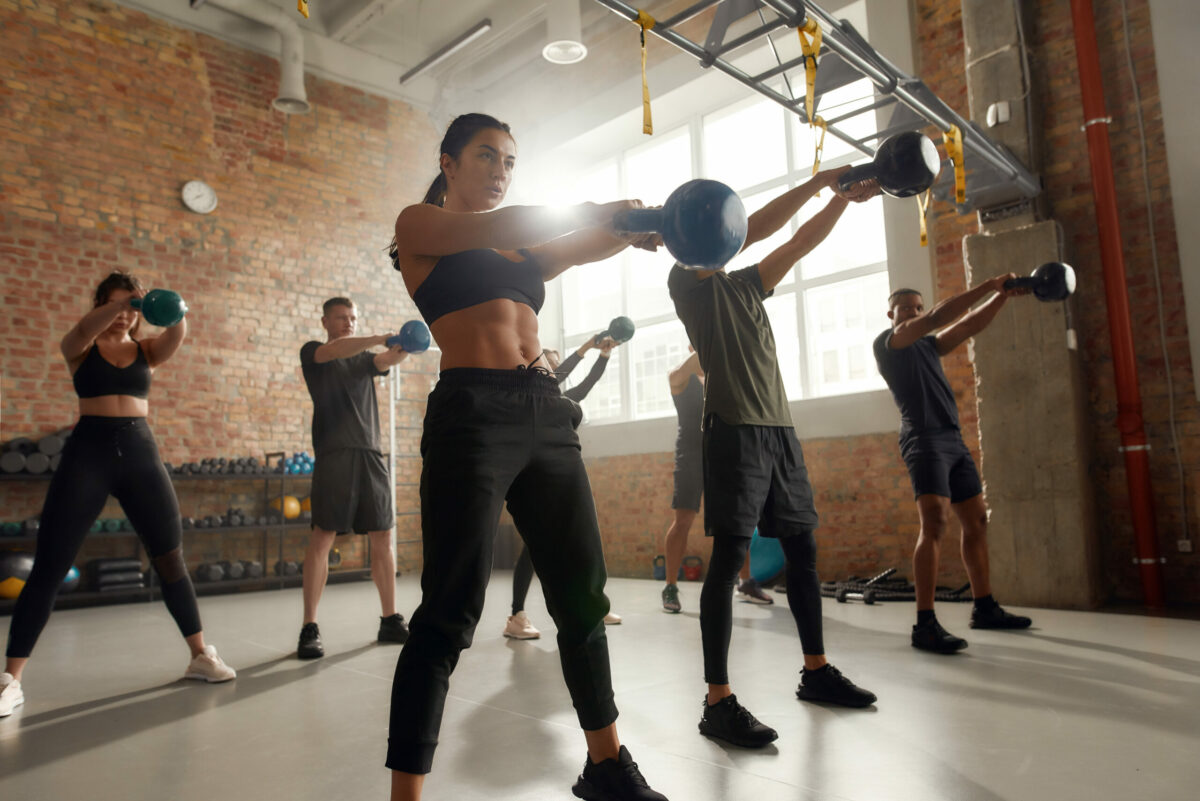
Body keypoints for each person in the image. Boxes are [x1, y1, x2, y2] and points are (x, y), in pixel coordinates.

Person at [387, 113, 668, 801]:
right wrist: (596, 209)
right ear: (449, 163)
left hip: (546, 410)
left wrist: (633, 225)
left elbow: (576, 245)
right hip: (472, 413)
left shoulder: (521, 256)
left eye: (510, 162)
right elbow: (509, 225)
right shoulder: (421, 229)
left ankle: (606, 764)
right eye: (487, 157)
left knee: (582, 594)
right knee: (450, 610)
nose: (500, 171)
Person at [668, 169, 879, 749]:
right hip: (733, 430)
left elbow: (798, 242)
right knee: (728, 558)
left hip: (779, 430)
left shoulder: (746, 285)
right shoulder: (687, 281)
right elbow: (757, 230)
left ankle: (815, 672)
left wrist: (843, 199)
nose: (728, 233)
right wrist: (817, 181)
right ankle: (717, 701)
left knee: (803, 551)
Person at [1, 272, 235, 719]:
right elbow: (84, 329)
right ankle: (11, 679)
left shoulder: (146, 350)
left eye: (132, 309)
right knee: (50, 563)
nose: (124, 315)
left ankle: (201, 654)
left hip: (140, 454)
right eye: (115, 305)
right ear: (101, 304)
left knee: (170, 558)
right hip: (88, 453)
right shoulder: (81, 349)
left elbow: (177, 332)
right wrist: (122, 302)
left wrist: (166, 306)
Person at [873, 282, 1033, 654]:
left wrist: (1002, 296)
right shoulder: (888, 345)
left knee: (976, 521)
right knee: (935, 524)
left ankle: (985, 607)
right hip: (924, 440)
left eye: (916, 307)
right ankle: (924, 624)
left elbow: (968, 324)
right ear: (892, 315)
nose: (912, 312)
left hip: (953, 440)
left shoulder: (929, 347)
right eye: (905, 308)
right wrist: (989, 283)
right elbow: (937, 317)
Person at [296, 297, 412, 659]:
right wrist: (378, 335)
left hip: (370, 454)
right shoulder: (314, 353)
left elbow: (386, 360)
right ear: (325, 321)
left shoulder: (364, 360)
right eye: (342, 318)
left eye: (353, 318)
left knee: (383, 534)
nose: (349, 323)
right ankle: (309, 627)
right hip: (335, 455)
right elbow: (337, 351)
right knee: (323, 536)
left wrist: (405, 345)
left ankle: (390, 619)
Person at [504, 335, 625, 641]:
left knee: (574, 543)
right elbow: (563, 371)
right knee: (533, 549)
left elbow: (589, 383)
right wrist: (585, 348)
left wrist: (603, 356)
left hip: (557, 479)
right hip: (531, 478)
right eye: (549, 363)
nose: (554, 367)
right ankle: (516, 616)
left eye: (557, 362)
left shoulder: (564, 400)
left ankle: (589, 607)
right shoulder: (531, 396)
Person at [660, 349, 772, 614]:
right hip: (691, 456)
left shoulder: (722, 377)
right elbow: (678, 374)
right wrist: (704, 346)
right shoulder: (680, 375)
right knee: (683, 520)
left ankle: (745, 582)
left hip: (724, 455)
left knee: (735, 521)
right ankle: (670, 586)